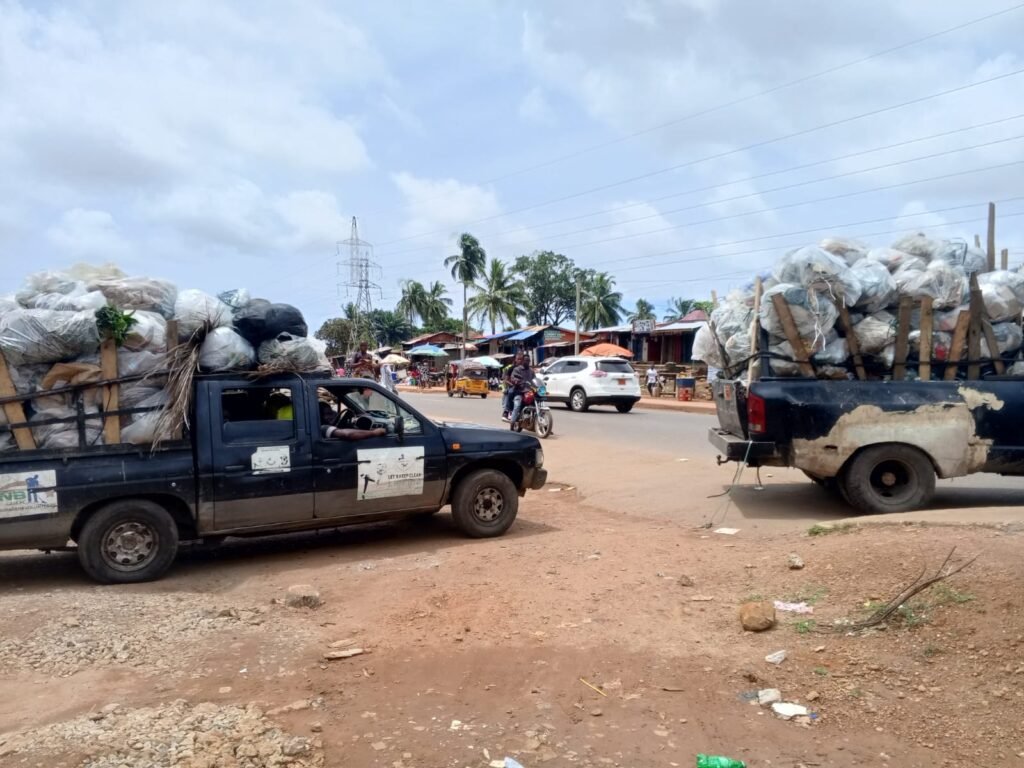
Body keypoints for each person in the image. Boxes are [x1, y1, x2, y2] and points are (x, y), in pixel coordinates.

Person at [318, 400, 386, 441]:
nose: (333, 415)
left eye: (332, 413)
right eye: (328, 414)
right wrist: (375, 433)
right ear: (320, 416)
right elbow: (348, 434)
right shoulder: (323, 428)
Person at [508, 354, 537, 426]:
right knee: (517, 405)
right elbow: (513, 378)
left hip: (529, 392)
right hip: (520, 391)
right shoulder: (517, 369)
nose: (527, 362)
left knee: (537, 404)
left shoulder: (531, 371)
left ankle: (538, 423)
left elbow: (535, 380)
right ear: (523, 361)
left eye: (528, 360)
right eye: (526, 360)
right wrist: (516, 381)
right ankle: (512, 422)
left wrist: (538, 385)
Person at [501, 351, 524, 420]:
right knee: (510, 392)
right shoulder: (511, 368)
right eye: (518, 359)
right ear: (515, 360)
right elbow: (506, 380)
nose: (520, 361)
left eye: (521, 359)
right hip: (513, 386)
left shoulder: (525, 369)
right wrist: (512, 384)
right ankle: (507, 411)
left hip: (523, 387)